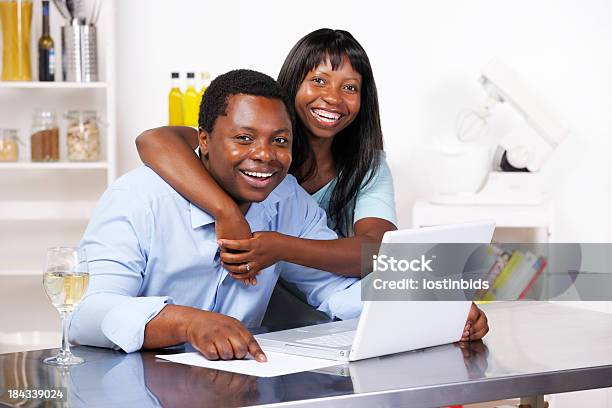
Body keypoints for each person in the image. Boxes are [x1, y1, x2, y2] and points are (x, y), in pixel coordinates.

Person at [136, 28, 489, 341]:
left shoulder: (363, 169)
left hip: (323, 302)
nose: (332, 98)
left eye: (349, 87)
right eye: (318, 80)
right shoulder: (253, 151)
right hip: (250, 300)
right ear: (292, 85)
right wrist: (226, 210)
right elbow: (154, 140)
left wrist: (436, 303)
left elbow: (378, 252)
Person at [70, 69, 363, 361]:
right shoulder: (139, 199)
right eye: (244, 138)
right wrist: (188, 323)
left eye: (280, 141)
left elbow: (338, 290)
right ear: (205, 141)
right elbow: (84, 315)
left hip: (240, 389)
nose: (265, 154)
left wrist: (406, 295)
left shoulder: (287, 198)